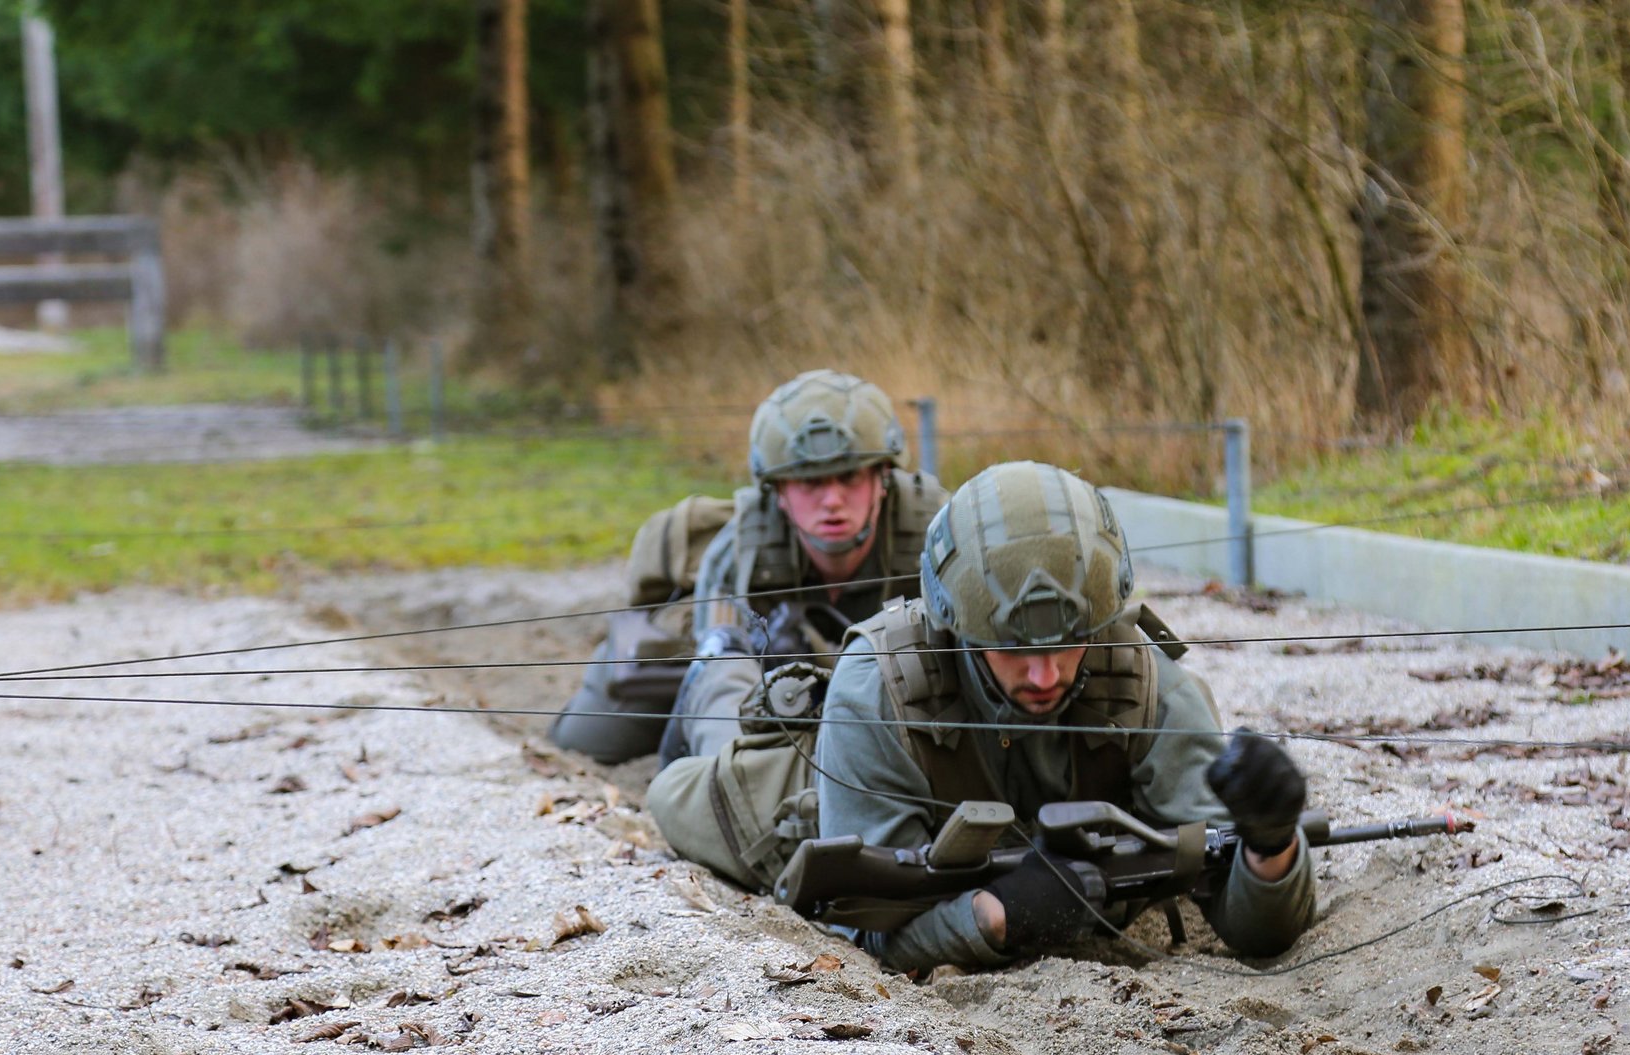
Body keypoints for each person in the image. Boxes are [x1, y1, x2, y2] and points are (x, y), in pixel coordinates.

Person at [653, 459, 1318, 973]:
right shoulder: (876, 690)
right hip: (785, 791)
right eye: (1012, 649)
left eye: (1068, 644)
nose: (1044, 675)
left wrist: (1271, 846)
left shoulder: (1149, 687)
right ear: (956, 627)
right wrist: (997, 916)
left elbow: (1254, 926)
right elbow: (855, 931)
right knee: (711, 735)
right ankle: (713, 666)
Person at [549, 369, 947, 764]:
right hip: (764, 683)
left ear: (883, 477)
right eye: (810, 482)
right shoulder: (739, 551)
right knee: (584, 740)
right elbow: (720, 675)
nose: (832, 500)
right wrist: (733, 772)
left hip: (901, 692)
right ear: (778, 493)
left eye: (849, 478)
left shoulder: (938, 532)